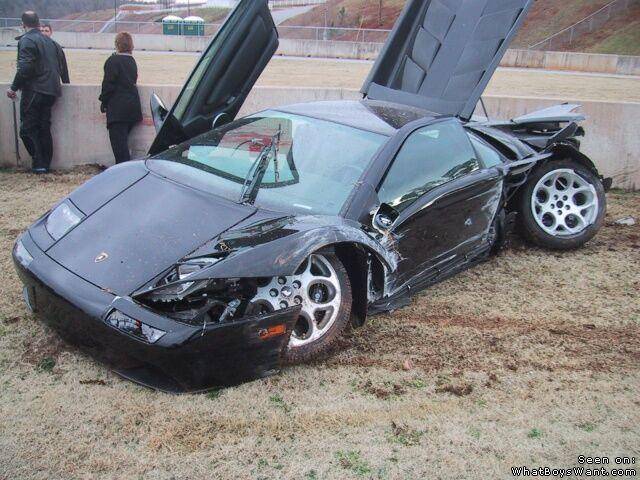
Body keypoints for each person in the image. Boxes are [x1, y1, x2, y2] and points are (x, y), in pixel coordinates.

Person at [6, 11, 62, 174]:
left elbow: (25, 68)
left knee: (27, 129)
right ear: (38, 23)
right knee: (44, 127)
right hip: (51, 90)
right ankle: (46, 164)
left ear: (23, 24)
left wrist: (14, 87)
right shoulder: (50, 42)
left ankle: (39, 163)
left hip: (35, 89)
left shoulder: (27, 40)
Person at [99, 32, 143, 164]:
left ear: (117, 45)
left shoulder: (113, 61)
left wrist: (103, 101)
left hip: (118, 109)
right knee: (123, 143)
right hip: (132, 107)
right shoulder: (131, 61)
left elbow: (108, 85)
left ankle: (123, 171)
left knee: (119, 147)